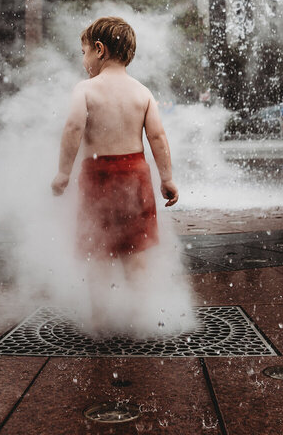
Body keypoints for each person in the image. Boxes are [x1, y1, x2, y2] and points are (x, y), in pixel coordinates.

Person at [51, 16, 178, 331]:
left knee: (98, 252)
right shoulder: (142, 93)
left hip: (100, 175)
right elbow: (158, 138)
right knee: (135, 254)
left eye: (83, 53)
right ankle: (141, 317)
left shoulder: (86, 90)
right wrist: (167, 178)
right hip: (136, 175)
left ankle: (101, 320)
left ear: (99, 49)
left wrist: (63, 173)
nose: (83, 61)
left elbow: (73, 129)